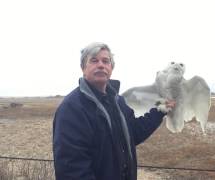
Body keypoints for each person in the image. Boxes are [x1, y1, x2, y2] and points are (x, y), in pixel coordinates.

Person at [53, 42, 175, 180]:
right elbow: (72, 169)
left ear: (111, 68)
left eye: (106, 61)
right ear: (83, 68)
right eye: (94, 60)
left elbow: (133, 133)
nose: (101, 65)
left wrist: (159, 111)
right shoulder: (72, 108)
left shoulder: (118, 102)